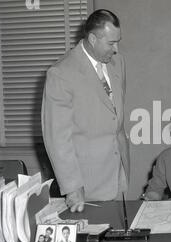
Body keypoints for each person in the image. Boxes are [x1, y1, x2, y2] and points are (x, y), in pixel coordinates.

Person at [42, 9, 130, 213]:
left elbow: (113, 114)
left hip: (119, 175)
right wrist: (72, 186)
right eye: (111, 43)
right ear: (92, 38)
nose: (116, 49)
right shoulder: (61, 74)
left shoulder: (118, 63)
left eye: (118, 41)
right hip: (86, 183)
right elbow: (57, 138)